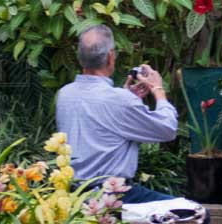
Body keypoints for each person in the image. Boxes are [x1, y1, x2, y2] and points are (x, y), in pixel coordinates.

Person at [56, 24, 180, 204]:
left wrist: (128, 96)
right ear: (110, 56)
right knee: (197, 213)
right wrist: (158, 89)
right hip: (113, 197)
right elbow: (167, 130)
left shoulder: (65, 93)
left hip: (74, 197)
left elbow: (102, 120)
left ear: (80, 58)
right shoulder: (119, 100)